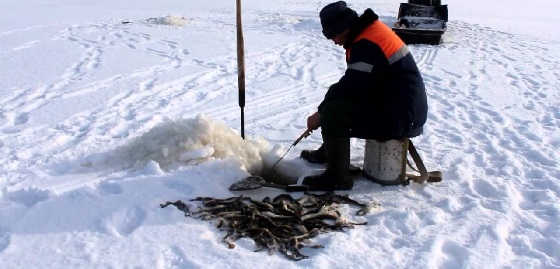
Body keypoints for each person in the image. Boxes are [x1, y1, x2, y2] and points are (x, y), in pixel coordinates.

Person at [300, 1, 428, 190]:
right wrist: (322, 109)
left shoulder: (366, 43)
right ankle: (330, 152)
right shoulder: (368, 32)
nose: (334, 41)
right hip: (396, 104)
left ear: (344, 27)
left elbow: (352, 88)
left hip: (401, 115)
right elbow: (352, 83)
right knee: (334, 97)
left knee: (335, 111)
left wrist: (321, 115)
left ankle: (338, 178)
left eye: (334, 35)